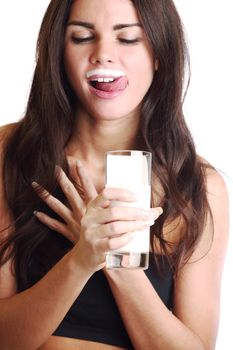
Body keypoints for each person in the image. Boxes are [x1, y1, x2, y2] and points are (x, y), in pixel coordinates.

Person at [0, 0, 229, 349]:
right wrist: (79, 261)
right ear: (58, 52)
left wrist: (115, 260)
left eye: (128, 39)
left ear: (159, 54)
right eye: (81, 37)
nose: (103, 54)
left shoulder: (198, 186)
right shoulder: (10, 152)